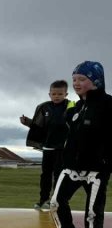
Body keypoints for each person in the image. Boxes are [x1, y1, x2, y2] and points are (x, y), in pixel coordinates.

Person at [49, 61, 112, 228]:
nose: (76, 83)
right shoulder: (76, 107)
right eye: (74, 79)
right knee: (56, 202)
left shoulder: (108, 104)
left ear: (96, 81)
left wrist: (107, 162)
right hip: (71, 167)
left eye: (82, 79)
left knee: (93, 212)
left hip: (97, 170)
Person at [19, 79, 75, 210]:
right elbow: (38, 126)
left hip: (62, 148)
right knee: (45, 175)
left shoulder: (71, 106)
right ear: (49, 94)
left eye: (60, 94)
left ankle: (55, 201)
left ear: (66, 94)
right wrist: (27, 122)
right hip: (48, 148)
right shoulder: (44, 107)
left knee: (59, 175)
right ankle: (43, 200)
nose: (57, 96)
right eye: (54, 94)